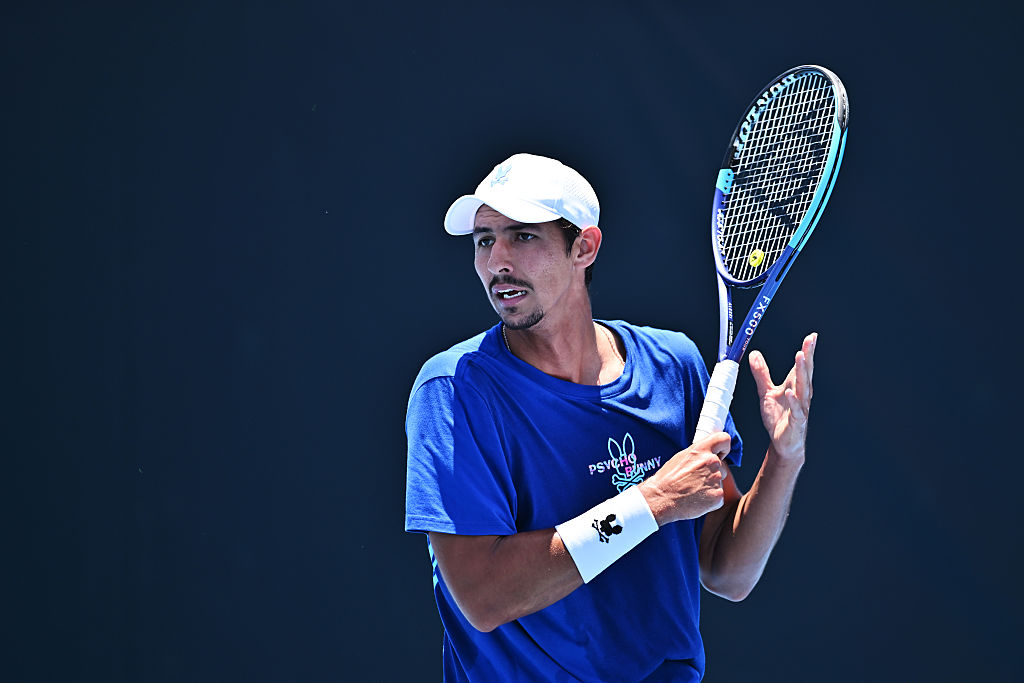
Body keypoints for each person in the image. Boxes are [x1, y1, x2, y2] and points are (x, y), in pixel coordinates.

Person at [405, 153, 815, 682]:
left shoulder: (674, 365)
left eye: (522, 236)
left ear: (584, 247)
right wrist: (654, 501)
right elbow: (486, 597)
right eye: (485, 239)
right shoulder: (454, 390)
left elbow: (725, 568)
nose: (496, 261)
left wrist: (785, 459)